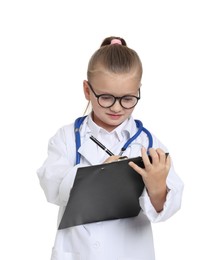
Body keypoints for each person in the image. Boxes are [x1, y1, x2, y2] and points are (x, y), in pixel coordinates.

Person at [37, 36, 184, 260]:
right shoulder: (67, 138)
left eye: (127, 98)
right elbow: (52, 187)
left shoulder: (148, 143)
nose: (116, 107)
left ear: (138, 91)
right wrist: (97, 176)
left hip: (130, 253)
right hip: (79, 252)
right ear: (87, 90)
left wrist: (157, 189)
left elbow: (167, 207)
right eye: (106, 97)